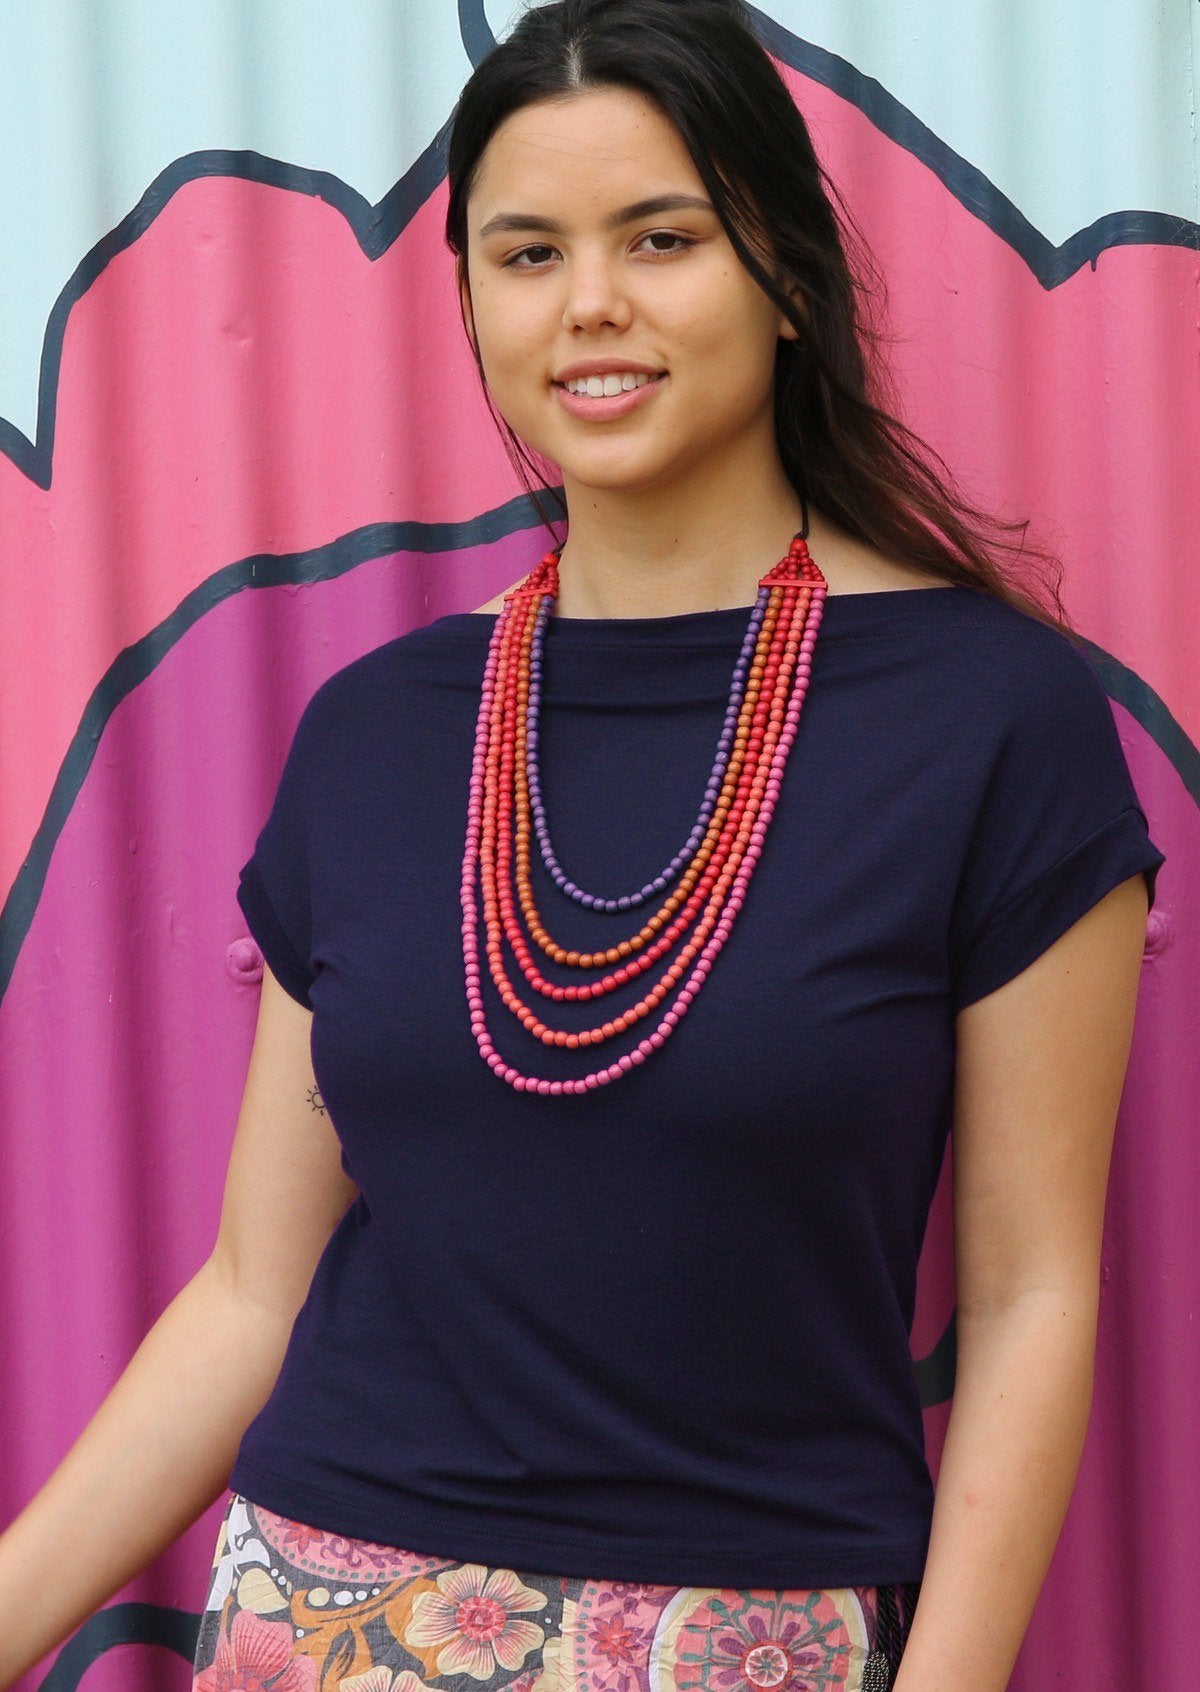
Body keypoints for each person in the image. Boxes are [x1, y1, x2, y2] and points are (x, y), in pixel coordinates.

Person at [0, 3, 1166, 1690]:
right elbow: (255, 1288)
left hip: (743, 1634)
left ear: (786, 274)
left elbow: (1033, 1298)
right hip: (317, 1615)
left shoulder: (989, 717)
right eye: (528, 252)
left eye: (661, 238)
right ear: (471, 298)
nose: (590, 304)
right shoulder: (380, 728)